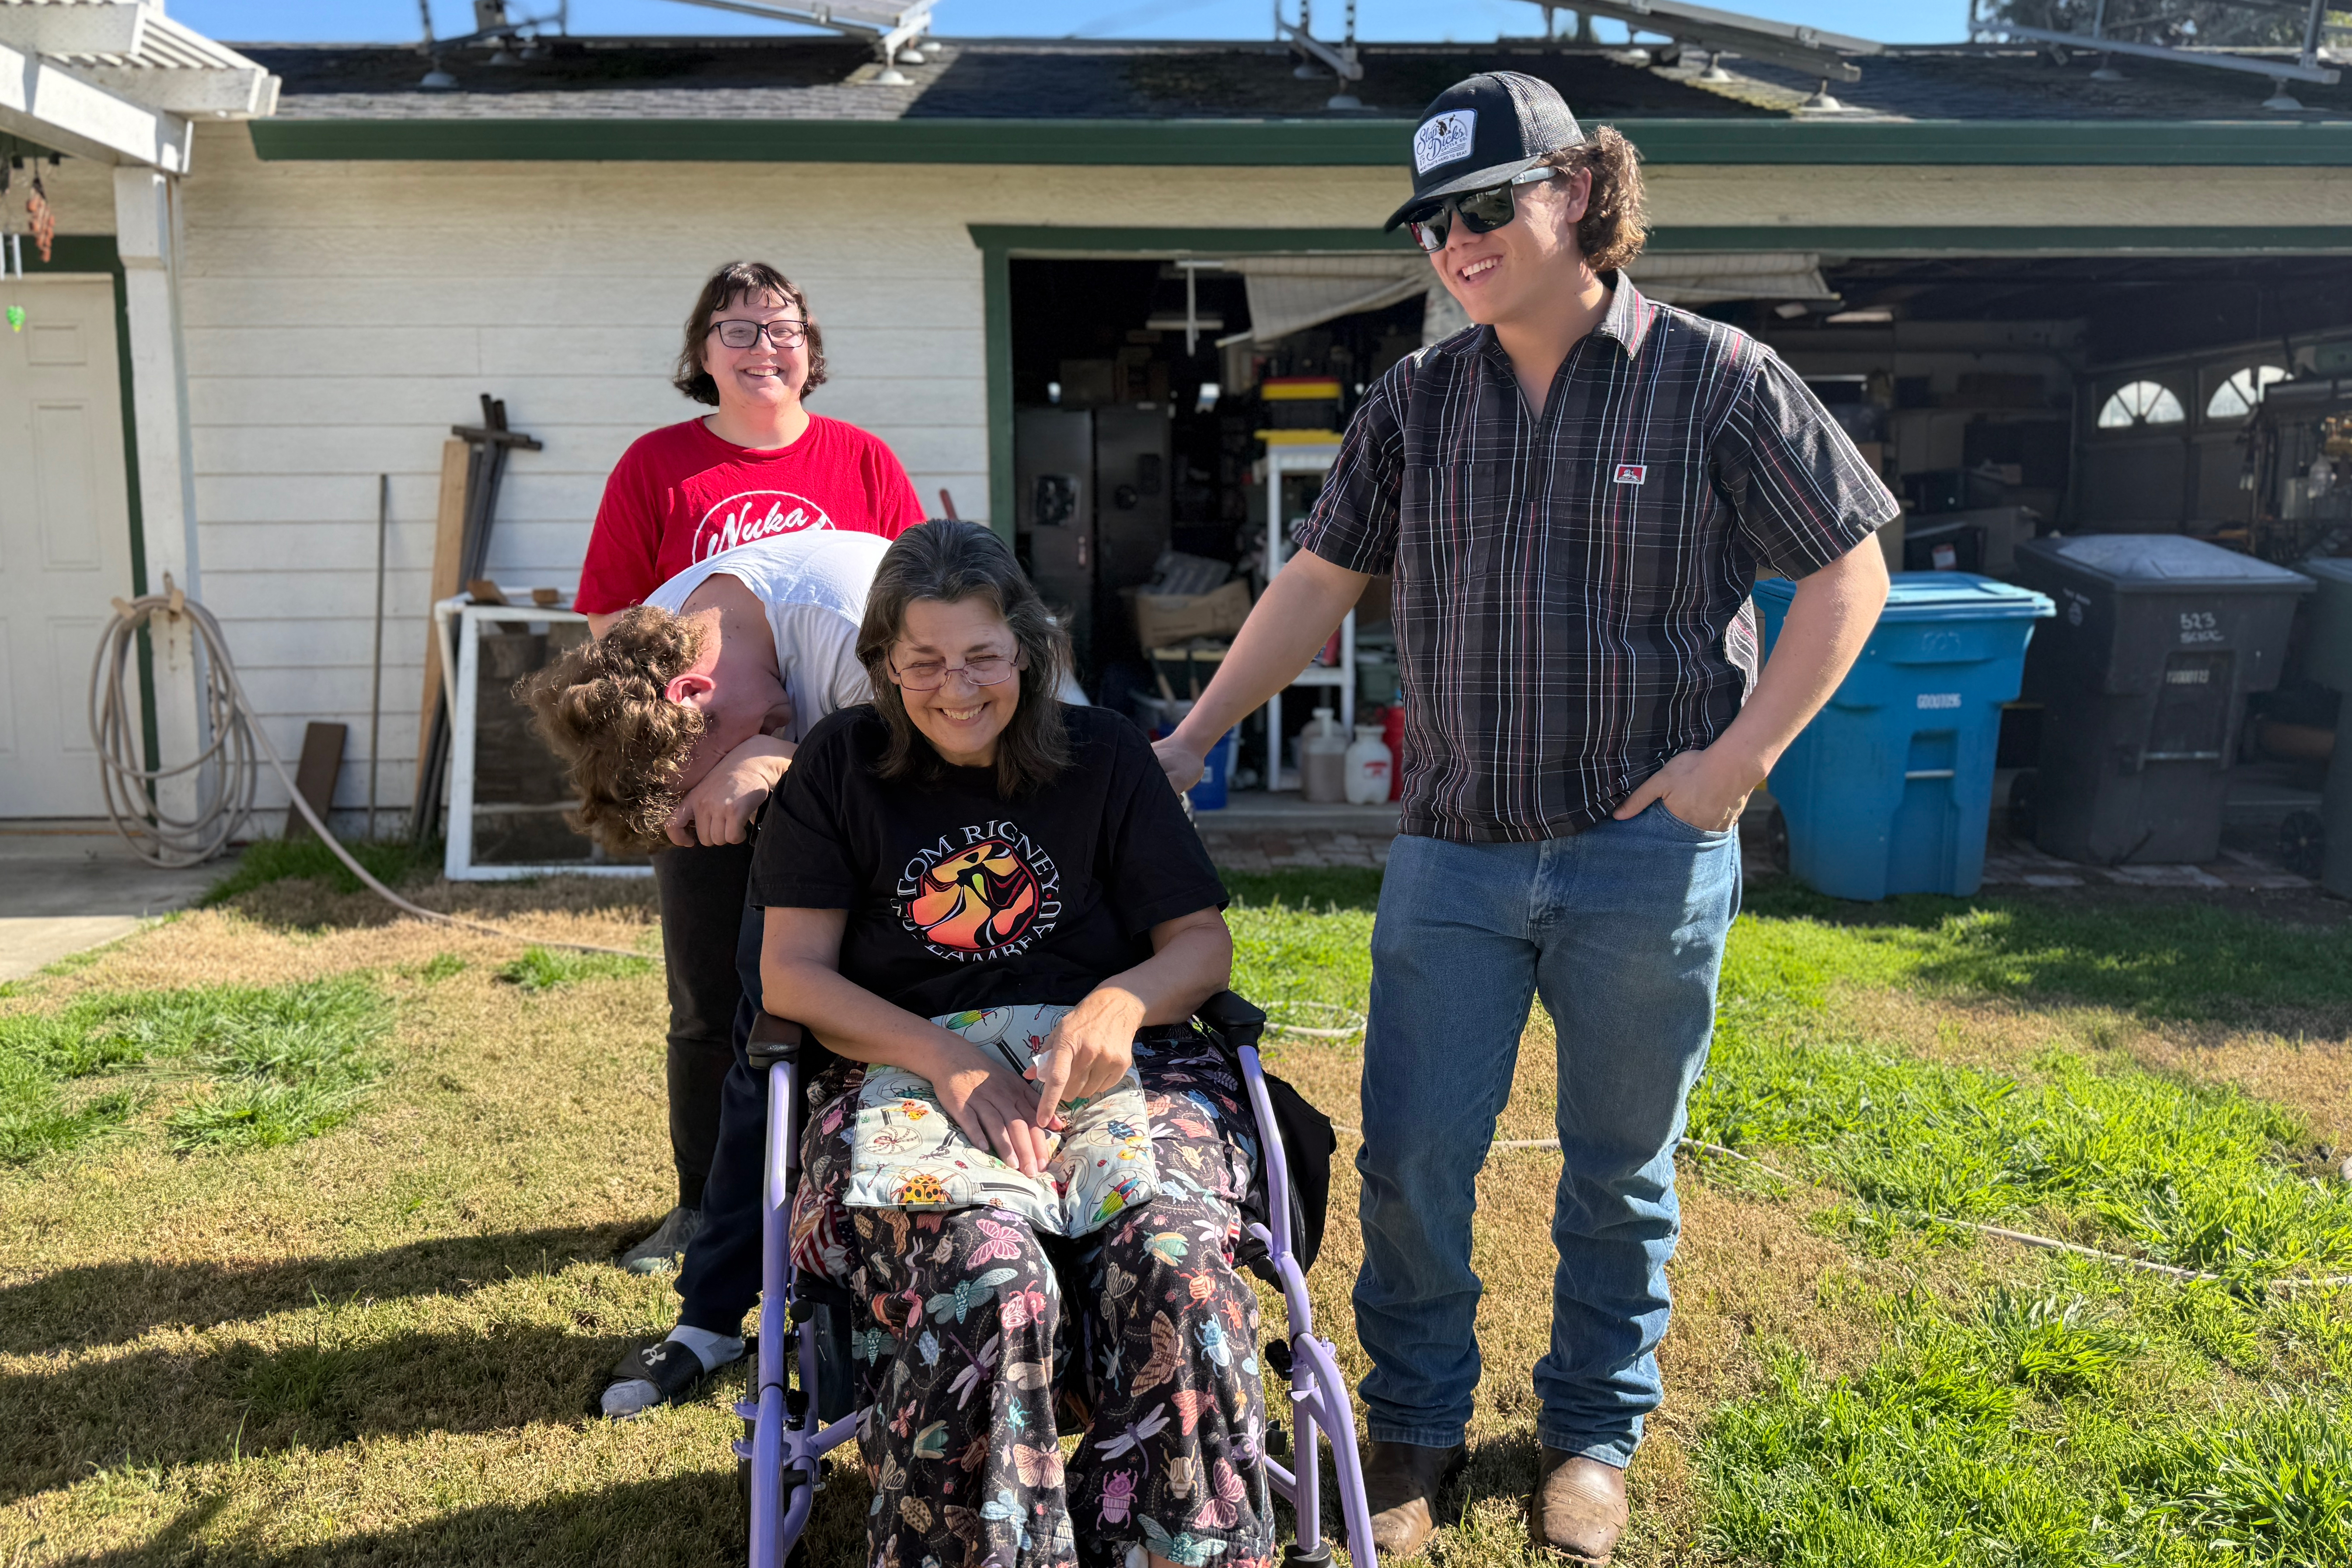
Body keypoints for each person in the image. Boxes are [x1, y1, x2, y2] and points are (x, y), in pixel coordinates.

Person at [1152, 74, 1894, 1565]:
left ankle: (1589, 1433)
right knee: (1413, 1155)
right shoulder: (1412, 403)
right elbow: (1314, 583)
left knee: (1619, 1162)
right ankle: (1413, 1424)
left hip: (1644, 854)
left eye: (1485, 205)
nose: (1456, 241)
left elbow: (1847, 569)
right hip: (1452, 849)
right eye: (1432, 221)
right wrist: (1186, 737)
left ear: (1578, 192)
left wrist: (1733, 767)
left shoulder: (1716, 378)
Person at [603, 523, 1272, 1568]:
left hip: (1108, 1063)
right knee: (988, 1278)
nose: (956, 690)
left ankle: (1171, 1548)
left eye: (981, 658)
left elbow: (1199, 945)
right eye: (922, 663)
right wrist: (947, 1058)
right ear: (881, 664)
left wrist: (1120, 1004)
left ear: (1027, 653)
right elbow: (792, 977)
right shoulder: (838, 765)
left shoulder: (1104, 757)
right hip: (898, 1064)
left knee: (1175, 1262)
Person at [573, 259, 925, 1275]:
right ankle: (702, 1204)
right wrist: (696, 738)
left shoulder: (861, 458)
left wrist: (795, 741)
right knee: (709, 992)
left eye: (782, 328)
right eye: (736, 328)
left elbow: (911, 607)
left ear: (811, 352)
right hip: (705, 750)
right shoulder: (659, 466)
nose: (763, 346)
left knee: (843, 975)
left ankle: (830, 1185)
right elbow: (616, 626)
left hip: (850, 763)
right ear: (699, 354)